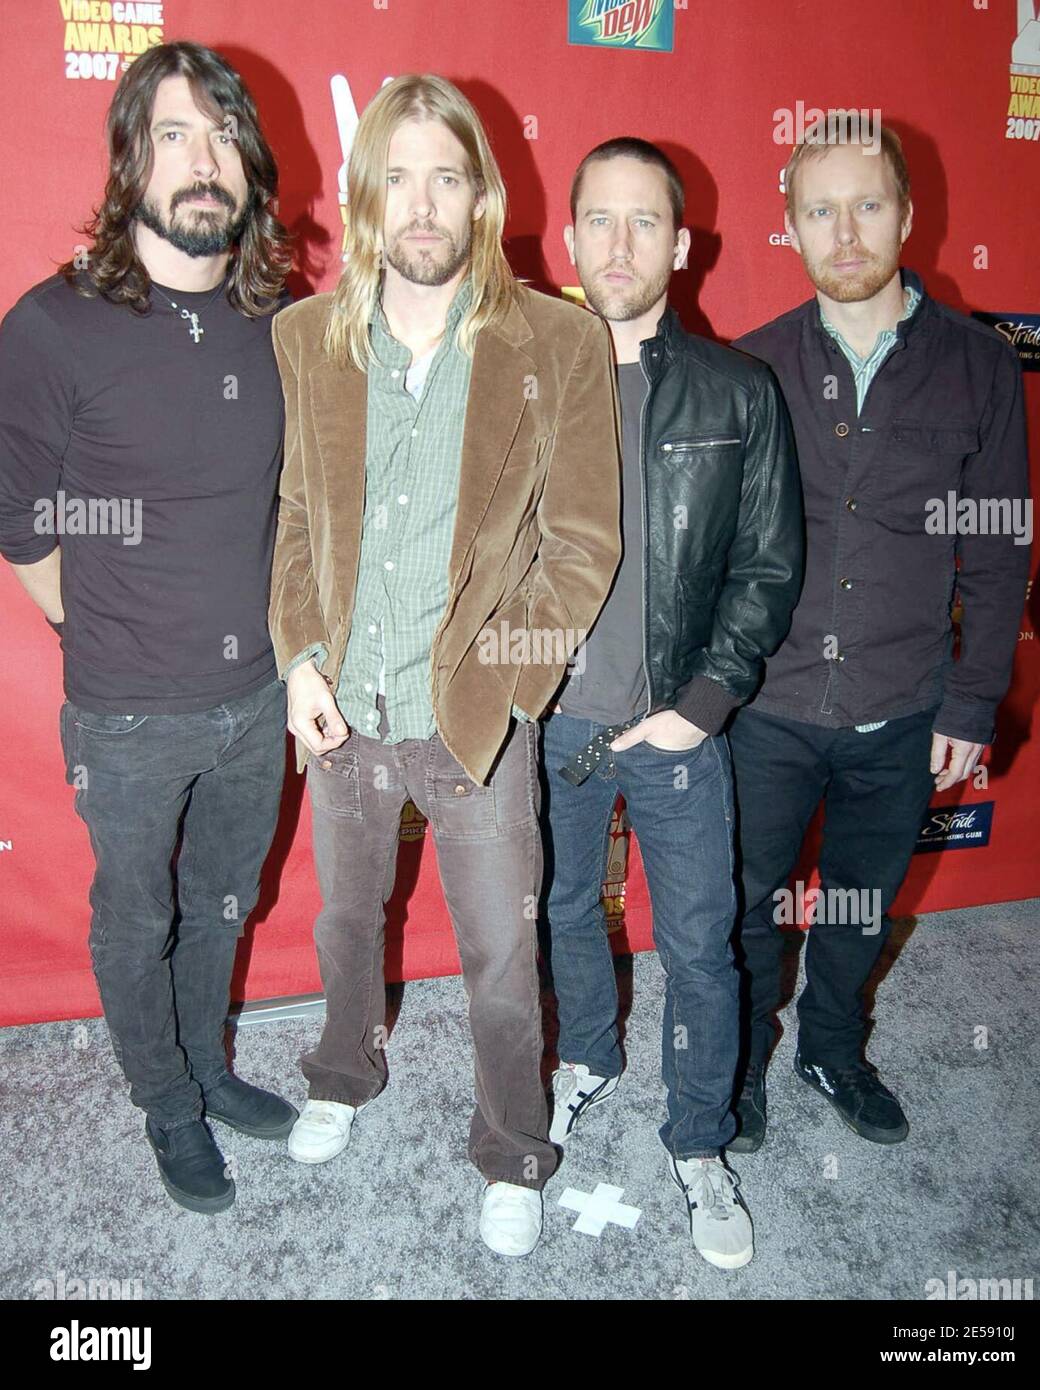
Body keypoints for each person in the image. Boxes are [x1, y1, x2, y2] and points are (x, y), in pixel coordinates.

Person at [269, 75, 622, 1258]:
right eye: (398, 175)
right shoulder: (303, 339)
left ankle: (514, 1143)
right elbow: (295, 521)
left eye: (447, 174)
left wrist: (512, 691)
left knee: (502, 953)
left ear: (481, 194)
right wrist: (299, 659)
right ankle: (341, 1069)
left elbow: (583, 545)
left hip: (475, 717)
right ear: (366, 193)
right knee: (344, 920)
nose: (423, 201)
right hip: (344, 712)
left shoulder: (559, 341)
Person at [0, 42, 298, 1214]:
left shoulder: (279, 321)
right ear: (130, 161)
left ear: (252, 165)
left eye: (223, 134)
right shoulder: (54, 325)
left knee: (227, 895)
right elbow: (22, 527)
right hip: (127, 710)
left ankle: (209, 1066)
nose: (203, 159)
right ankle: (164, 1100)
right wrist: (119, 631)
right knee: (139, 910)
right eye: (173, 134)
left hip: (258, 696)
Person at [727, 121, 1030, 1154]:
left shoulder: (982, 370)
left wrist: (973, 697)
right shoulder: (753, 366)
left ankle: (831, 1045)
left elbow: (995, 548)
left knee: (859, 905)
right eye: (821, 210)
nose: (845, 231)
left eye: (866, 206)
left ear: (905, 215)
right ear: (791, 229)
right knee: (748, 907)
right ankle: (739, 1057)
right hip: (766, 701)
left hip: (904, 705)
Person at [540, 138, 803, 1268]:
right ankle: (587, 1059)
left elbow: (768, 564)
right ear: (569, 237)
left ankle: (699, 1141)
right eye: (599, 218)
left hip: (677, 729)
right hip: (545, 724)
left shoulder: (739, 389)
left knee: (701, 946)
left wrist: (703, 700)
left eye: (644, 221)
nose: (619, 243)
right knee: (557, 911)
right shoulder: (527, 378)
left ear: (682, 244)